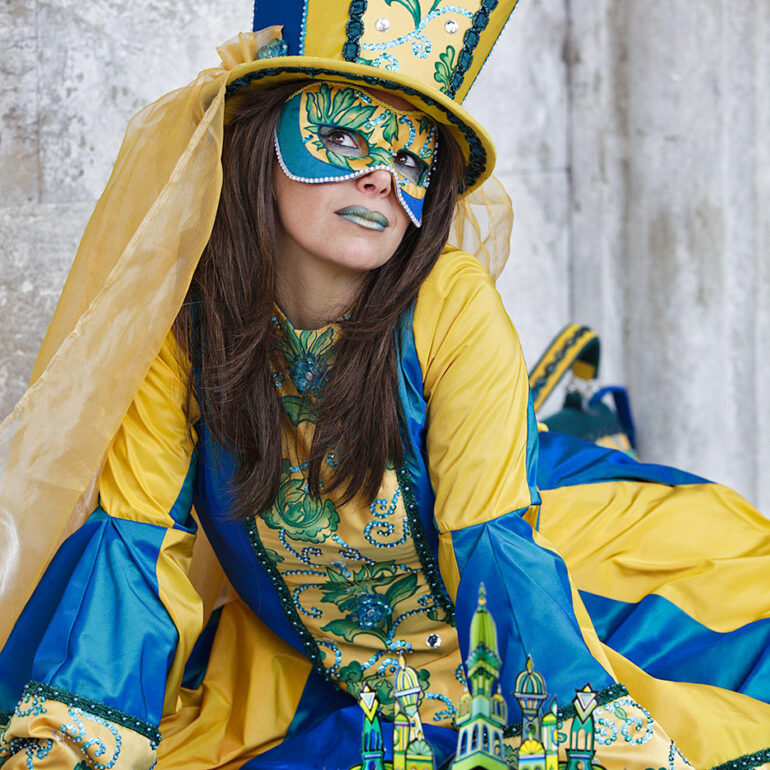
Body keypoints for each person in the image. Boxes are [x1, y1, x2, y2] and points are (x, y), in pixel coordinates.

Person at [0, 2, 768, 769]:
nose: (379, 175)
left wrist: (576, 736)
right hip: (304, 652)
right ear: (259, 142)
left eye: (411, 159)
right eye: (341, 137)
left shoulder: (453, 301)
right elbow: (135, 540)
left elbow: (495, 548)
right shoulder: (182, 320)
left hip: (553, 576)